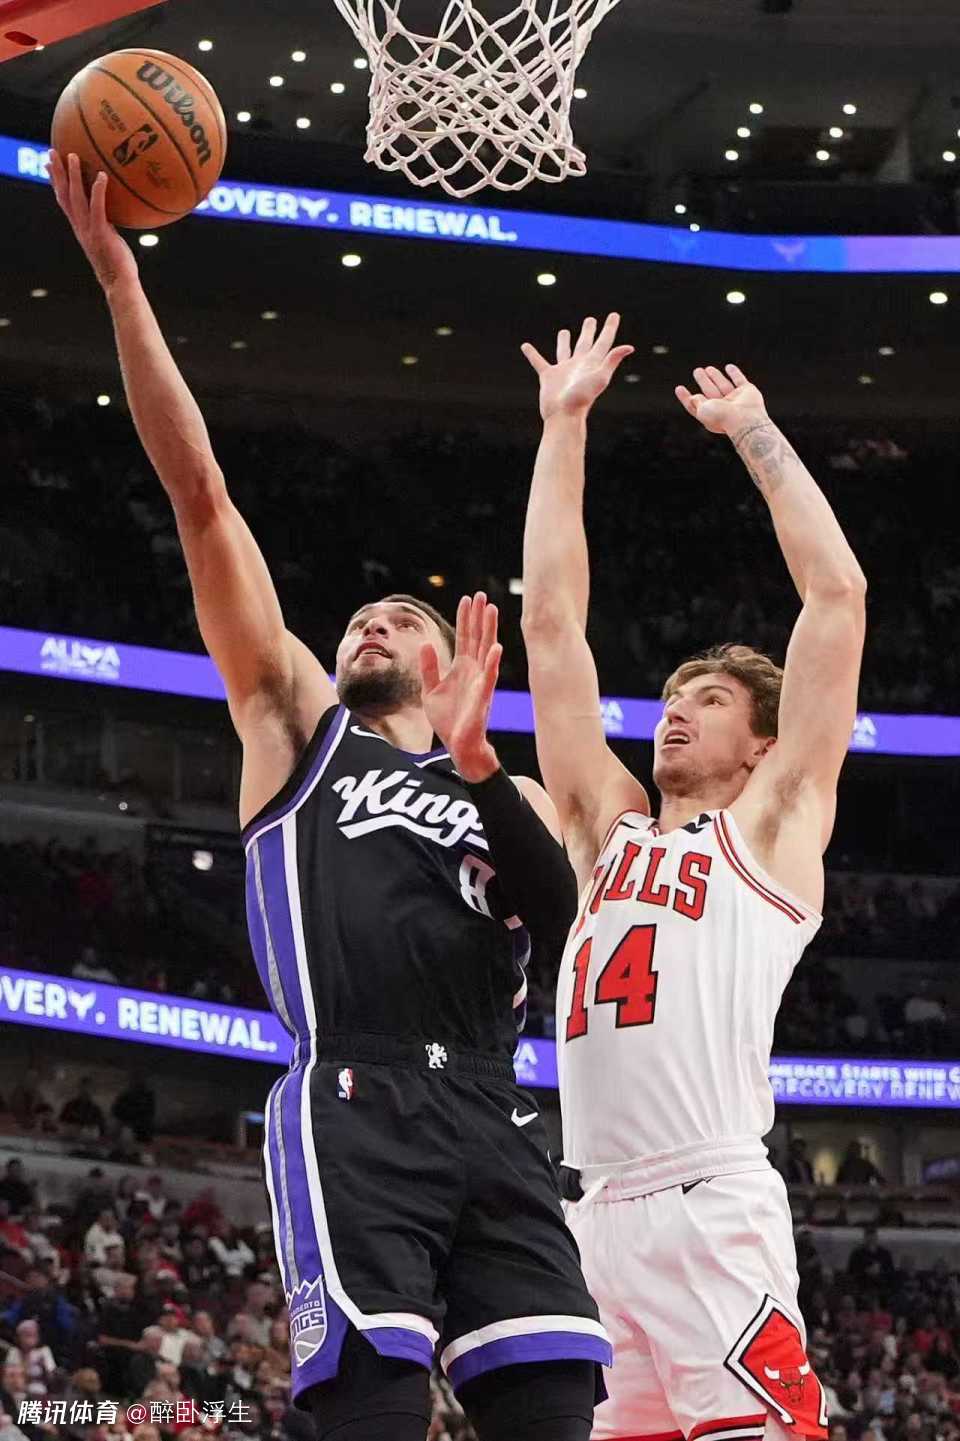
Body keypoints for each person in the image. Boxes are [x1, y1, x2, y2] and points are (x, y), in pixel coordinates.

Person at [51, 149, 610, 1441]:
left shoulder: (505, 782)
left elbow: (562, 917)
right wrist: (123, 285)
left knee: (554, 1406)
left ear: (452, 662)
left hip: (494, 1100)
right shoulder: (299, 729)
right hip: (355, 1097)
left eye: (401, 617)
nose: (369, 623)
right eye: (359, 615)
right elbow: (201, 497)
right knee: (369, 1411)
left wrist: (481, 766)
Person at [521, 314, 867, 1441]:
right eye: (672, 696)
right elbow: (552, 628)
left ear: (763, 743)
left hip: (709, 1203)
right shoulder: (604, 828)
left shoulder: (772, 826)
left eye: (709, 700)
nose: (676, 710)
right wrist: (563, 426)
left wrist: (755, 434)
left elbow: (837, 597)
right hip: (591, 1212)